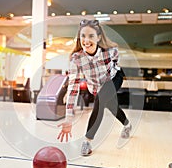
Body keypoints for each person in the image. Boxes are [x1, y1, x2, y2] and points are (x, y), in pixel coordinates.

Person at [57, 19, 132, 156]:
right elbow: (73, 87)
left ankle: (87, 141)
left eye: (91, 36)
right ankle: (127, 124)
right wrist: (69, 117)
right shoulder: (76, 59)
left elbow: (116, 62)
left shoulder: (110, 51)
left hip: (114, 78)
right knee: (111, 106)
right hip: (96, 87)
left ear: (98, 37)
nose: (86, 40)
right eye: (83, 36)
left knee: (101, 100)